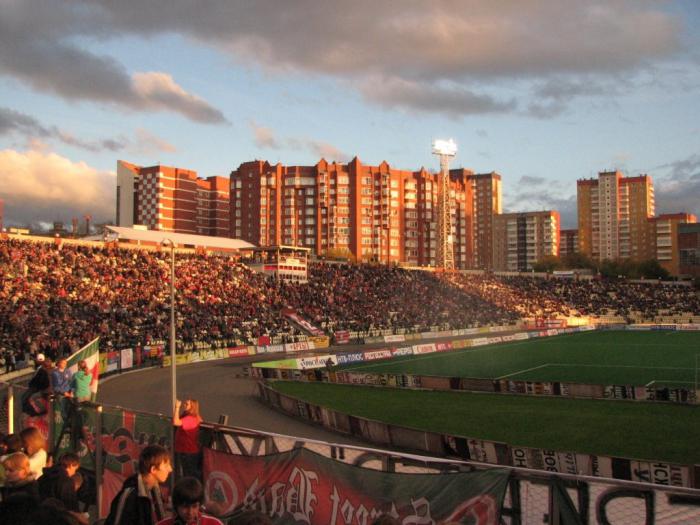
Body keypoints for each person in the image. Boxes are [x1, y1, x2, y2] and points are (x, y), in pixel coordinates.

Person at [104, 444, 172, 525]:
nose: (170, 469)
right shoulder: (130, 495)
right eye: (166, 465)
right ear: (153, 469)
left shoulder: (154, 491)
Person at [156, 477, 223, 525]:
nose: (190, 512)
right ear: (176, 506)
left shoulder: (214, 523)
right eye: (185, 507)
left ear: (200, 505)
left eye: (194, 506)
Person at [173, 399, 202, 479]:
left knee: (187, 475)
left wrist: (177, 408)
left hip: (188, 451)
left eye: (187, 404)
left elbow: (176, 422)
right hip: (184, 450)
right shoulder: (189, 417)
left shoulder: (190, 418)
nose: (184, 405)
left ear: (192, 407)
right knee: (185, 474)